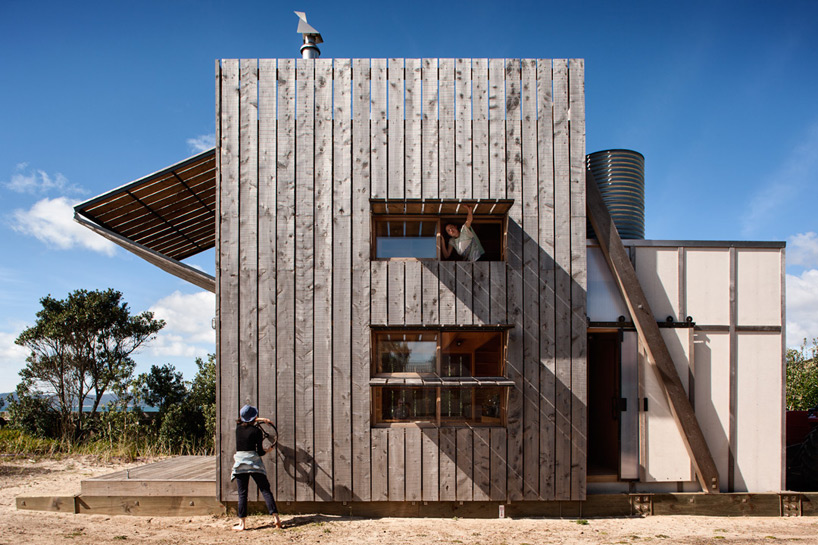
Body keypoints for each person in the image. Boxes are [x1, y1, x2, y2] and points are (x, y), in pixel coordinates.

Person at [231, 404, 281, 531]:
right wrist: (268, 450)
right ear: (255, 418)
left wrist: (259, 419)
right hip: (254, 464)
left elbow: (242, 420)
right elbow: (259, 452)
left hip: (241, 464)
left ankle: (242, 524)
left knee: (242, 494)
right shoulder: (257, 431)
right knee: (265, 490)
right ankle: (276, 518)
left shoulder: (237, 429)